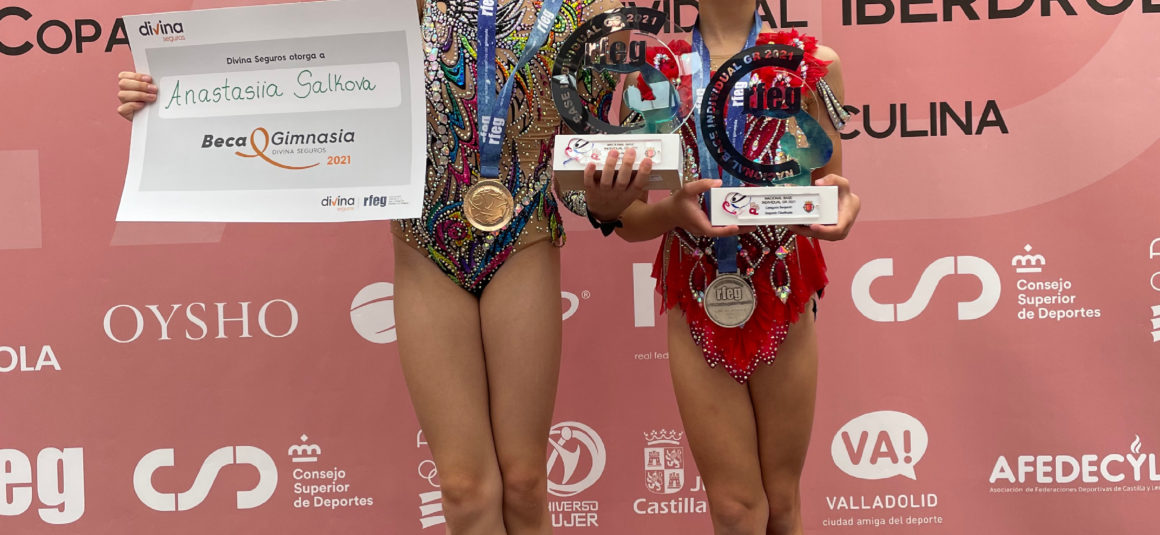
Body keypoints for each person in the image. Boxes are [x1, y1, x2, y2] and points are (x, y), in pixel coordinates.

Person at [116, 1, 631, 533]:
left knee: (523, 484)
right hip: (423, 249)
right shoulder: (392, 4)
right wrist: (170, 98)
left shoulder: (588, 9)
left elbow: (580, 167)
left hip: (523, 240)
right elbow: (288, 76)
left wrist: (609, 200)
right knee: (463, 490)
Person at [581, 1, 861, 533]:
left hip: (783, 287)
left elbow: (830, 188)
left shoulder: (810, 63)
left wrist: (841, 209)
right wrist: (659, 209)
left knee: (780, 501)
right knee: (735, 508)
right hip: (697, 289)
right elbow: (632, 221)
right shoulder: (657, 72)